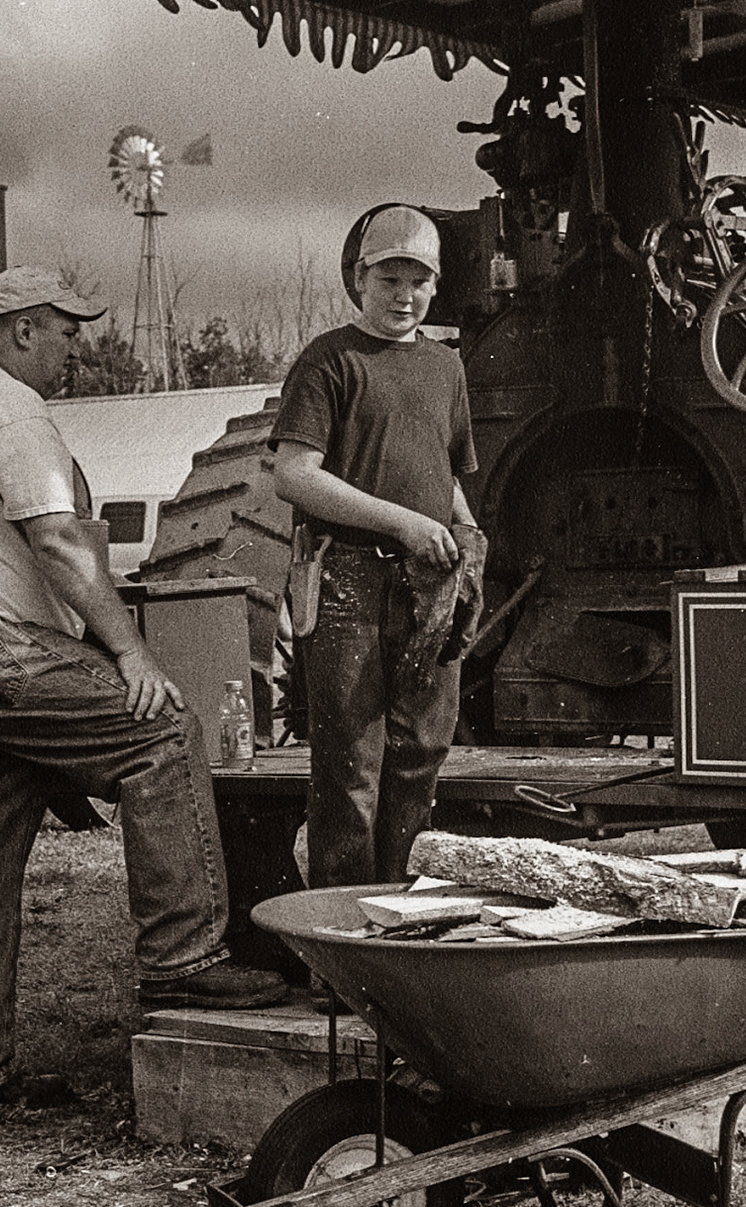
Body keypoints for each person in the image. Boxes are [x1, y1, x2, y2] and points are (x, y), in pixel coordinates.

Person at [0, 265, 287, 1120]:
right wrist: (131, 656)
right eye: (68, 331)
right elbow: (64, 546)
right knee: (162, 733)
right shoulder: (8, 405)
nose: (78, 348)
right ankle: (185, 961)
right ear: (25, 329)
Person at [270, 206, 486, 889]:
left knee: (421, 756)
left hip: (429, 584)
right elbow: (295, 475)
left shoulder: (446, 367)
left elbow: (443, 473)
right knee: (351, 770)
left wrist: (469, 540)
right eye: (389, 278)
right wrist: (402, 524)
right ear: (361, 279)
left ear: (436, 286)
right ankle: (341, 951)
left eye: (418, 281)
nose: (404, 296)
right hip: (348, 585)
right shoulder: (328, 361)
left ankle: (402, 925)